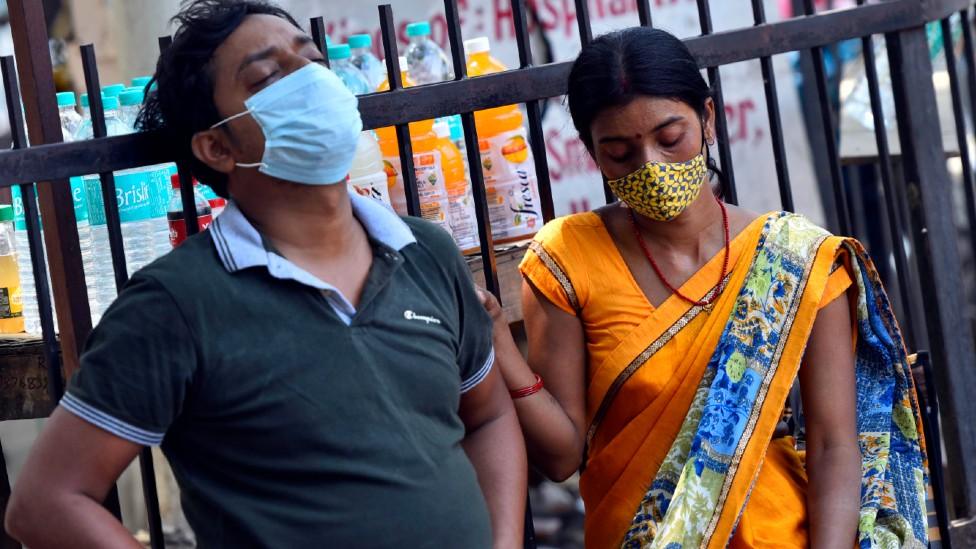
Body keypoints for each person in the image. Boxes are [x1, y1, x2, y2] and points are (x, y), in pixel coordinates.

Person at [6, 1, 526, 547]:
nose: (313, 82)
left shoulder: (425, 250)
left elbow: (488, 416)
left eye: (313, 60)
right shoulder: (175, 304)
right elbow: (45, 502)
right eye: (268, 76)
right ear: (218, 147)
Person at [482, 27, 928, 548]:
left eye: (671, 139)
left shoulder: (794, 257)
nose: (651, 166)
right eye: (620, 152)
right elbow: (560, 458)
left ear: (708, 119)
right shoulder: (566, 258)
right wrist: (498, 344)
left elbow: (834, 445)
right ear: (590, 152)